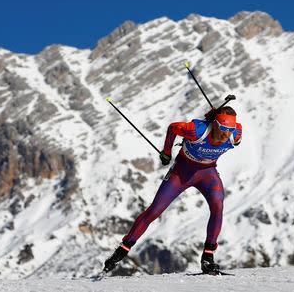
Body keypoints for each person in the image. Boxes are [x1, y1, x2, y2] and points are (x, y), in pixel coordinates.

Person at [103, 106, 242, 274]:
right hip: (181, 172)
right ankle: (121, 252)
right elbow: (172, 128)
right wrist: (167, 152)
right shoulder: (197, 131)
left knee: (218, 206)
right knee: (154, 210)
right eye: (224, 128)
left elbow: (237, 138)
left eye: (230, 129)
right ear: (216, 124)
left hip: (207, 173)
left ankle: (208, 259)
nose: (227, 133)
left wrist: (218, 122)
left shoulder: (235, 134)